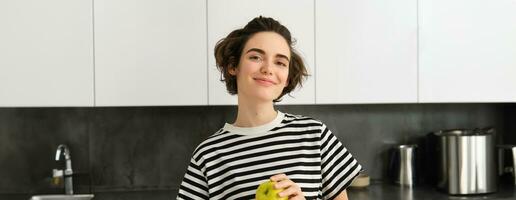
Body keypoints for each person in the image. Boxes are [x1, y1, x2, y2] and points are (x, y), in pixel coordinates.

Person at [177, 16, 362, 200]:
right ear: (233, 66)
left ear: (287, 77)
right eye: (256, 57)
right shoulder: (208, 154)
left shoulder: (315, 135)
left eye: (280, 62)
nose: (268, 69)